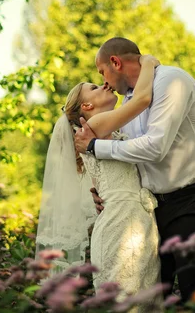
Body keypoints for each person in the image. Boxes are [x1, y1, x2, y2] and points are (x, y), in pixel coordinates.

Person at [75, 37, 195, 302]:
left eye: (102, 73)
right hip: (152, 214)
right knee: (153, 298)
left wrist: (96, 147)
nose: (105, 81)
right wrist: (106, 192)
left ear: (116, 62)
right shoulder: (126, 106)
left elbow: (155, 147)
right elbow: (135, 161)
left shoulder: (171, 81)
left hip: (192, 202)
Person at [35, 54, 163, 312]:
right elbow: (142, 99)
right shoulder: (95, 125)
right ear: (87, 108)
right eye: (93, 88)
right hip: (119, 229)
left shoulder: (106, 131)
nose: (104, 85)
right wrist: (148, 63)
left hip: (139, 225)